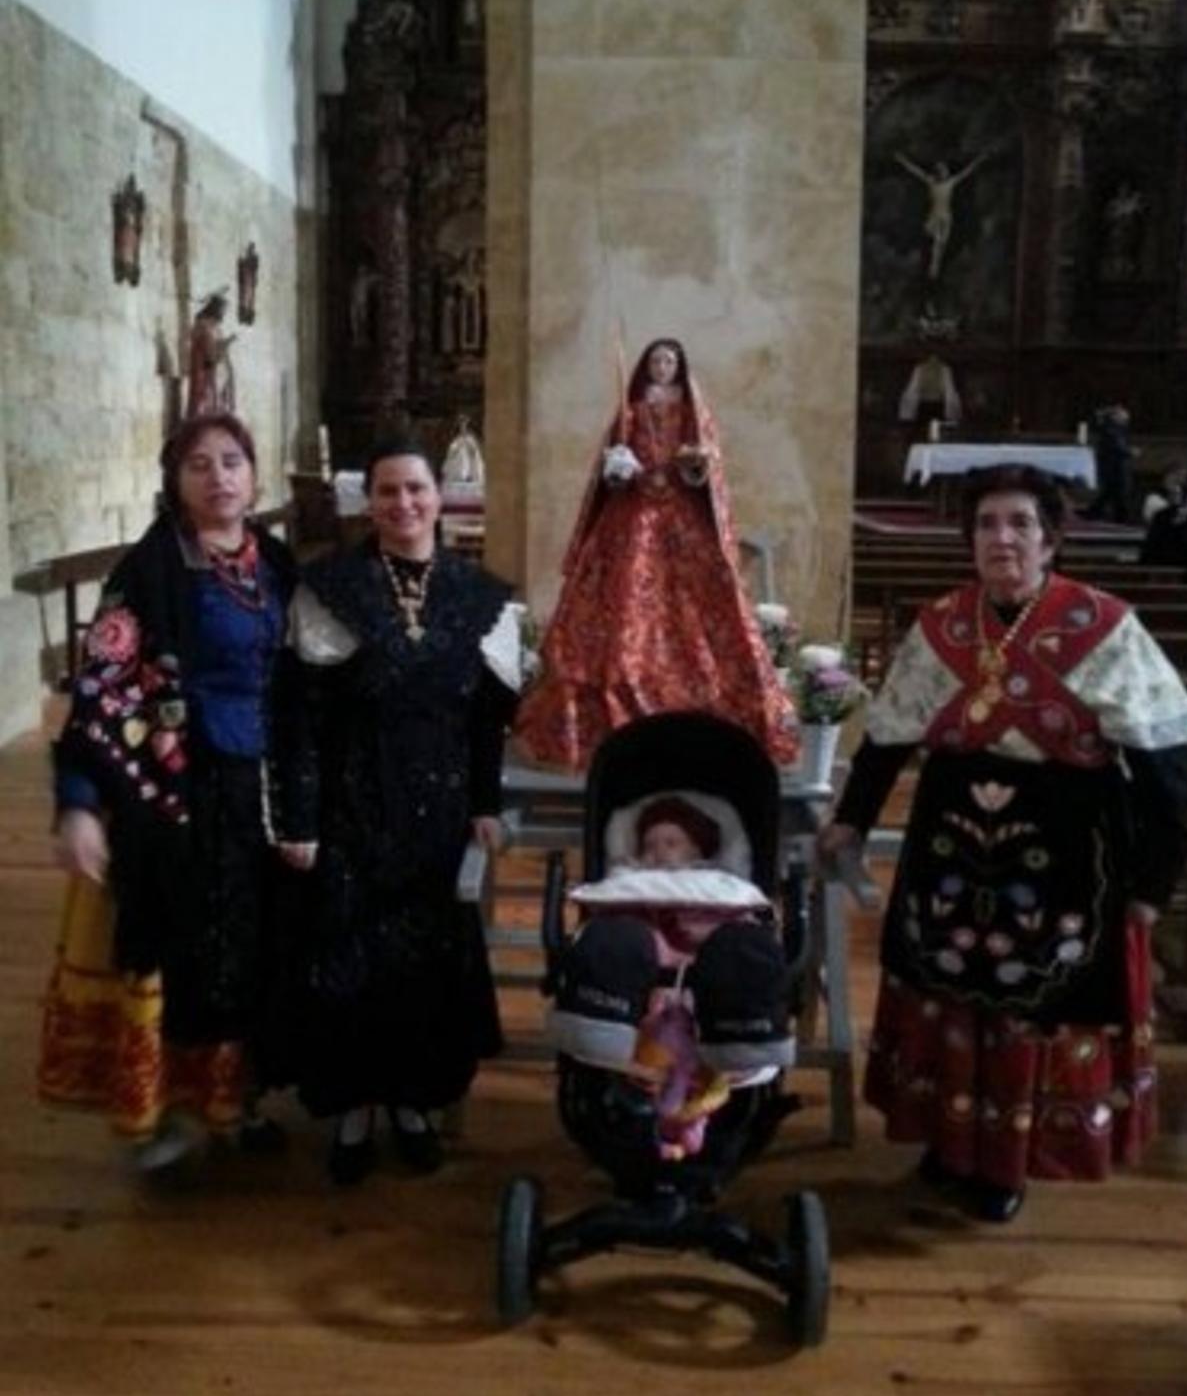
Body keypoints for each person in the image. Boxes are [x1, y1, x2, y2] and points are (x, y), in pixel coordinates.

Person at [817, 463, 1187, 1223]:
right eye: (988, 525)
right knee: (948, 988)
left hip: (1066, 853)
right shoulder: (941, 625)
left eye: (1021, 524)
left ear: (1050, 540)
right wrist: (853, 817)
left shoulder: (1104, 627)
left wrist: (1152, 885)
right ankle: (948, 1141)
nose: (1003, 539)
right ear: (969, 541)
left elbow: (1164, 765)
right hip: (951, 843)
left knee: (1034, 998)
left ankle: (1008, 1161)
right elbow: (889, 735)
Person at [40, 414, 295, 1171]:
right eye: (199, 465)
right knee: (184, 948)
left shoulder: (279, 565)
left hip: (264, 790)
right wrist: (79, 804)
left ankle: (235, 1101)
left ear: (254, 474)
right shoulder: (147, 574)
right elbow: (100, 695)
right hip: (177, 794)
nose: (219, 478)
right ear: (175, 482)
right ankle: (172, 1112)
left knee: (250, 945)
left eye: (232, 461)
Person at [270, 440, 520, 1185]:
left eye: (415, 488)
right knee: (350, 958)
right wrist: (300, 819)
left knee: (422, 966)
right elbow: (299, 721)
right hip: (352, 803)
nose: (402, 503)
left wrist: (485, 805)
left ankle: (412, 1106)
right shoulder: (330, 588)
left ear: (439, 497)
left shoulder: (481, 594)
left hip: (439, 810)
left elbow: (488, 722)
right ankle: (352, 1112)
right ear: (367, 501)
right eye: (387, 491)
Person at [515, 339, 798, 771]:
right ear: (646, 366)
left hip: (681, 518)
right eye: (656, 360)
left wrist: (695, 465)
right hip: (632, 516)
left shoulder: (694, 412)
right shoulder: (629, 412)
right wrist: (619, 468)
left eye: (669, 360)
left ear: (679, 366)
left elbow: (708, 471)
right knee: (624, 595)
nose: (662, 366)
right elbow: (609, 476)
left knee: (693, 600)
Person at [551, 792, 792, 1159]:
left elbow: (745, 921)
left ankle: (748, 1040)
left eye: (671, 842)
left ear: (698, 849)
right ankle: (599, 1024)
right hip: (644, 983)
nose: (658, 852)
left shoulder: (718, 883)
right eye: (649, 845)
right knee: (616, 938)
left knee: (743, 947)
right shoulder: (632, 883)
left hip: (712, 978)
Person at [895, 148, 993, 281]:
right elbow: (916, 171)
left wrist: (979, 160)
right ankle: (933, 265)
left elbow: (966, 172)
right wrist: (903, 161)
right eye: (941, 170)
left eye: (944, 170)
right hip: (935, 216)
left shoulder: (949, 183)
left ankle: (935, 264)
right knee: (937, 240)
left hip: (945, 215)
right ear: (938, 172)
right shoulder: (932, 182)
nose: (943, 172)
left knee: (941, 242)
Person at [185, 291, 238, 418]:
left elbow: (217, 348)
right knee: (205, 409)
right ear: (215, 309)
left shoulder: (215, 327)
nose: (223, 314)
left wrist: (224, 344)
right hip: (205, 375)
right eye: (222, 310)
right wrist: (226, 343)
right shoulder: (204, 326)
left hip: (215, 376)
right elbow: (210, 355)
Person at [1084, 404, 1135, 523]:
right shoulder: (1111, 429)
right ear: (1116, 417)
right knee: (1116, 491)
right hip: (1113, 465)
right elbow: (1117, 447)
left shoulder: (1113, 428)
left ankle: (1097, 513)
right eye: (1124, 416)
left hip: (1113, 465)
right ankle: (1119, 516)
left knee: (1111, 492)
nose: (1126, 419)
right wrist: (1130, 451)